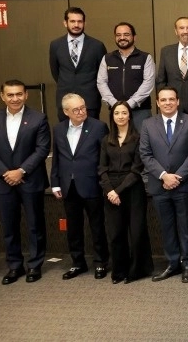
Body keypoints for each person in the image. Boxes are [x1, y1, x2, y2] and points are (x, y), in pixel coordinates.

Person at [0, 80, 50, 284]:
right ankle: (14, 266)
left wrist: (20, 171)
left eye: (19, 94)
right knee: (9, 227)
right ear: (2, 96)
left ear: (26, 95)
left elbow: (42, 149)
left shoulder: (38, 118)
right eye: (10, 95)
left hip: (30, 180)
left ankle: (35, 265)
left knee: (35, 225)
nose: (15, 98)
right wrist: (5, 173)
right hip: (2, 182)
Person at [140, 87, 188, 283]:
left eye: (171, 99)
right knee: (167, 227)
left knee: (185, 227)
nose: (168, 103)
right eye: (163, 100)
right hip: (159, 185)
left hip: (182, 185)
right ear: (157, 103)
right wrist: (164, 176)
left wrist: (177, 177)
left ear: (178, 101)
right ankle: (172, 263)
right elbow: (145, 154)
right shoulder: (148, 124)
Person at [50, 93, 109, 280]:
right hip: (68, 185)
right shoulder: (58, 129)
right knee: (73, 228)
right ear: (66, 112)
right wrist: (55, 183)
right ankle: (78, 263)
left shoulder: (99, 127)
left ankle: (100, 262)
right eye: (76, 109)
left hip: (91, 184)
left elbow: (104, 158)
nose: (81, 112)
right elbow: (57, 158)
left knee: (97, 226)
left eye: (83, 107)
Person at [98, 102, 153, 284]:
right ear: (112, 117)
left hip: (133, 188)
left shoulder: (138, 138)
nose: (120, 116)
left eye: (124, 113)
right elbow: (102, 168)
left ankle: (137, 270)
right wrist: (109, 190)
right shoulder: (106, 140)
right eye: (117, 113)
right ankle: (118, 271)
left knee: (137, 232)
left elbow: (137, 169)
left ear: (130, 115)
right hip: (110, 191)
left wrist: (118, 191)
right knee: (115, 233)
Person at [49, 7, 106, 122]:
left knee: (90, 136)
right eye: (72, 21)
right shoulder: (55, 45)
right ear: (65, 23)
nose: (76, 25)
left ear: (84, 23)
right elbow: (55, 72)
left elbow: (103, 74)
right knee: (66, 135)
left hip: (89, 102)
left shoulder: (97, 46)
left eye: (80, 21)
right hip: (65, 101)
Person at [96, 22, 156, 127]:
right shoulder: (107, 58)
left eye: (126, 34)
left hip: (140, 111)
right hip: (116, 111)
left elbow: (148, 83)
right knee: (119, 142)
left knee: (141, 141)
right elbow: (101, 82)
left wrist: (129, 104)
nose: (122, 38)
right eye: (118, 35)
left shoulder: (145, 57)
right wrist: (115, 104)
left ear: (134, 37)